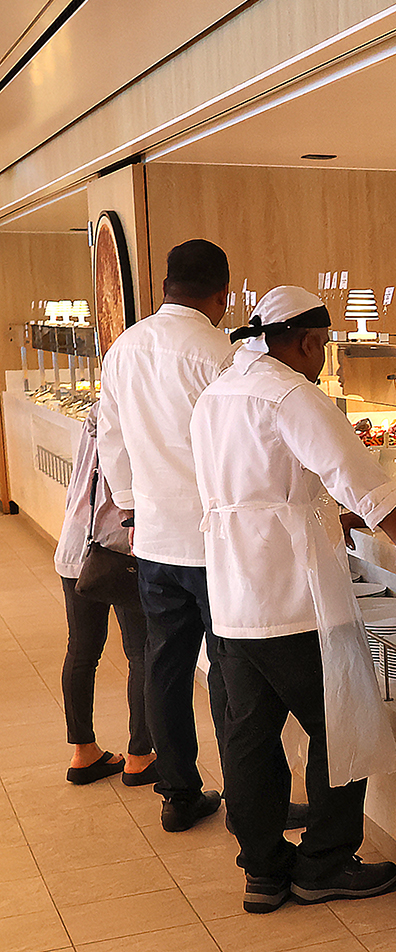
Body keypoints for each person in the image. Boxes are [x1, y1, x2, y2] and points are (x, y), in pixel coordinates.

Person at [191, 287, 396, 913]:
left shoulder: (218, 392)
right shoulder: (290, 394)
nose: (323, 356)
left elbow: (270, 486)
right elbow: (351, 471)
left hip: (232, 593)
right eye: (324, 345)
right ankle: (325, 863)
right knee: (339, 723)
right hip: (292, 597)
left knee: (249, 736)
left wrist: (332, 516)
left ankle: (263, 870)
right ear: (306, 342)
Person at [95, 239, 233, 833]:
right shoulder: (218, 352)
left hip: (153, 539)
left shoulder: (124, 348)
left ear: (165, 286)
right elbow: (237, 446)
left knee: (165, 667)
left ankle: (177, 793)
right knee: (231, 674)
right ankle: (249, 804)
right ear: (223, 294)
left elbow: (111, 439)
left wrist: (131, 507)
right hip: (214, 542)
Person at [51, 413, 154, 786]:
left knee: (82, 651)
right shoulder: (130, 415)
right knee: (141, 653)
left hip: (75, 543)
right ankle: (140, 756)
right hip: (116, 551)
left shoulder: (95, 415)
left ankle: (84, 752)